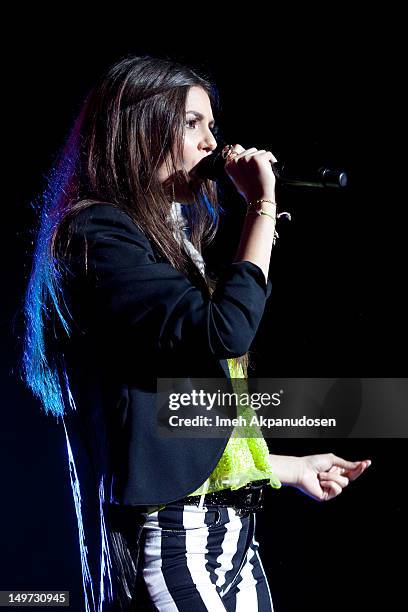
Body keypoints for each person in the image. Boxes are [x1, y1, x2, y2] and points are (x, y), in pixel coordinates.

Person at [21, 55, 371, 611]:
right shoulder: (96, 233)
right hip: (176, 536)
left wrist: (286, 468)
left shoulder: (168, 244)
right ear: (140, 128)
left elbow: (179, 413)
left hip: (232, 531)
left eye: (212, 125)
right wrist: (262, 206)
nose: (213, 142)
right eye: (193, 123)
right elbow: (226, 329)